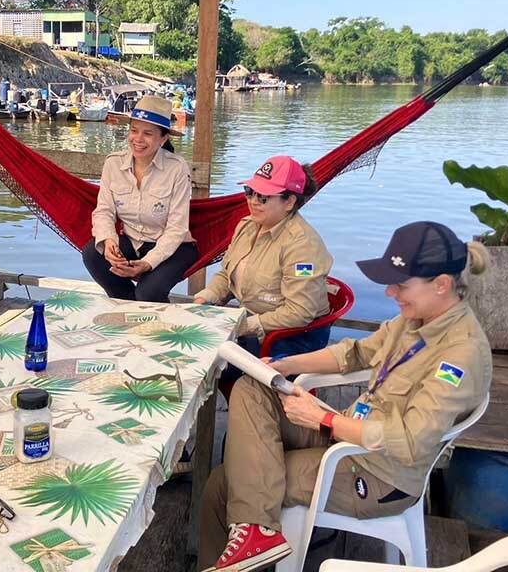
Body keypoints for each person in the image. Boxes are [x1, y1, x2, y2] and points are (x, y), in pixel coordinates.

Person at [199, 221, 493, 572]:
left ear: (442, 285)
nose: (390, 294)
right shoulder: (414, 319)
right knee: (252, 386)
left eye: (400, 284)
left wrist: (324, 420)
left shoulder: (460, 355)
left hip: (378, 471)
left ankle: (255, 530)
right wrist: (282, 363)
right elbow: (352, 353)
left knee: (233, 482)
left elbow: (410, 440)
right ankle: (251, 533)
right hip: (347, 431)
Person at [194, 155, 333, 366]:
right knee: (195, 343)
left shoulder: (303, 246)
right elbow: (226, 274)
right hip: (254, 321)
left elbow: (299, 313)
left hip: (294, 337)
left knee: (207, 357)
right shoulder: (247, 225)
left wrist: (242, 326)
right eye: (250, 192)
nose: (253, 201)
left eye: (264, 197)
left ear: (289, 202)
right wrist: (205, 299)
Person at [82, 95, 197, 302]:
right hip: (132, 241)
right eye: (134, 130)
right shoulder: (113, 164)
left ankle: (156, 327)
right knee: (93, 253)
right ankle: (127, 308)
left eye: (148, 133)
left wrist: (148, 263)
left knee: (148, 292)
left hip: (174, 247)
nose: (138, 139)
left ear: (163, 139)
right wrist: (109, 242)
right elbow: (104, 211)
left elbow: (177, 229)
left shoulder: (177, 168)